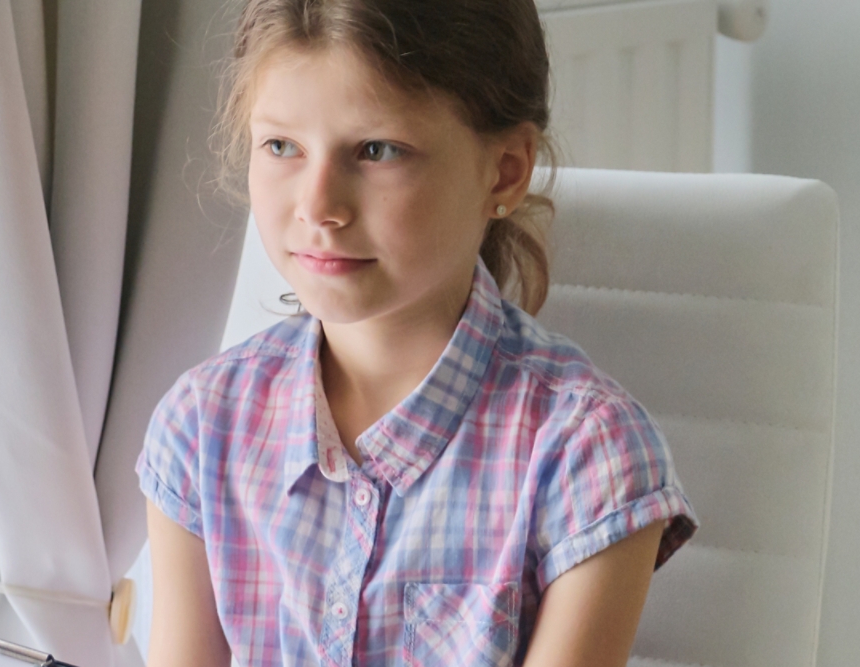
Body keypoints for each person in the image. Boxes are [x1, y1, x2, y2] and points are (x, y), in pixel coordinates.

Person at [136, 0, 698, 665]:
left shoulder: (587, 453)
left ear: (506, 170)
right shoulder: (201, 428)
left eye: (376, 150)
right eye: (281, 145)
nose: (318, 207)